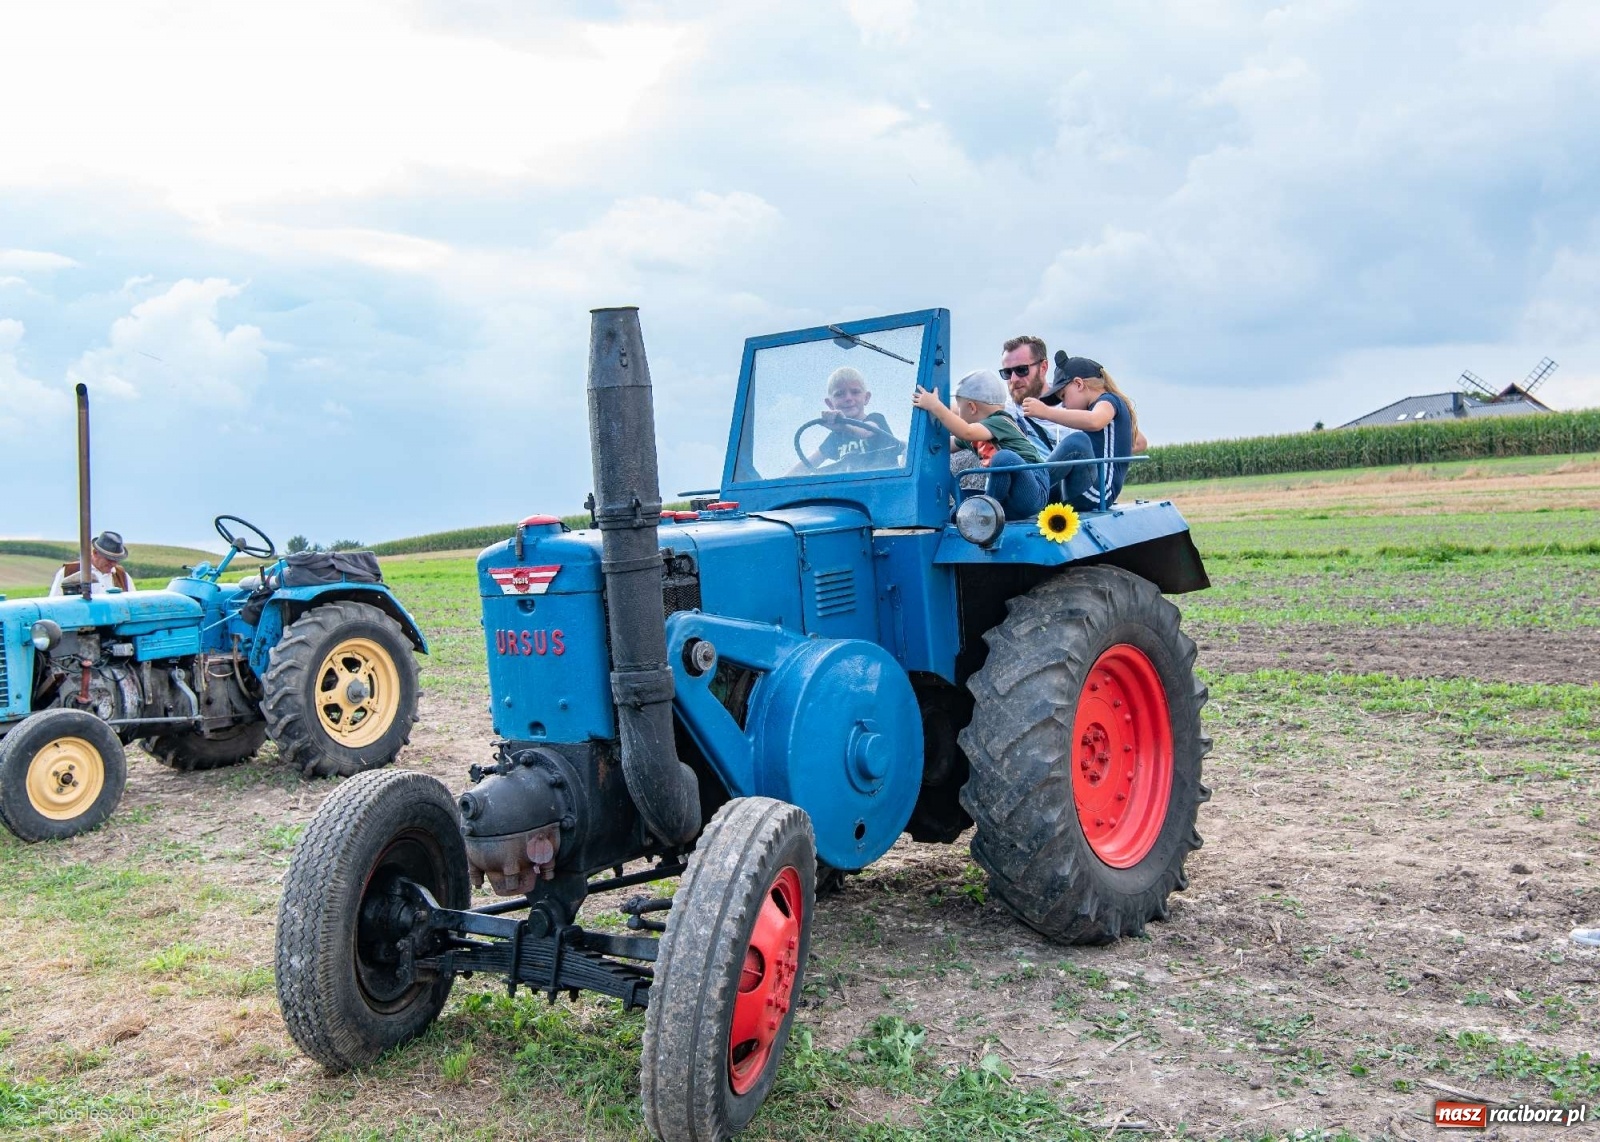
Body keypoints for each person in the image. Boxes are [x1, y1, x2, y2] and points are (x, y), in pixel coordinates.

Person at [913, 369, 1046, 520]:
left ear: (972, 407)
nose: (958, 412)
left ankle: (986, 512)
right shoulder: (975, 434)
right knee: (962, 507)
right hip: (1009, 499)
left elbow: (966, 431)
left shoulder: (1000, 421)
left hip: (1031, 490)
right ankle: (977, 515)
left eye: (959, 407)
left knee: (1003, 458)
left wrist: (935, 406)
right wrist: (905, 447)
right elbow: (942, 447)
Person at [1022, 355, 1144, 512]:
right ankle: (1022, 498)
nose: (1064, 405)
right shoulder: (1108, 407)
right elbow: (1140, 442)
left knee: (1077, 443)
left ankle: (1030, 487)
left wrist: (1046, 412)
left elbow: (1095, 421)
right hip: (1092, 489)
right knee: (1042, 494)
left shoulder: (1107, 401)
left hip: (1099, 491)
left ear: (1078, 384)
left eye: (1063, 396)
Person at [792, 366, 901, 473]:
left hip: (886, 486)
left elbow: (867, 431)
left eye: (855, 392)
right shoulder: (836, 437)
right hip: (852, 489)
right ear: (830, 403)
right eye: (839, 394)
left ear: (866, 398)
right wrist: (777, 486)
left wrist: (844, 427)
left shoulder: (876, 419)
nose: (848, 398)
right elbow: (806, 465)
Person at [998, 335, 1067, 453]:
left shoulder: (1071, 405)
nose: (1014, 379)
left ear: (1043, 367)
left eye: (1021, 369)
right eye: (1007, 372)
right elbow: (968, 408)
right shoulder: (1004, 409)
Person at [50, 530, 136, 596]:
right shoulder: (69, 572)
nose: (113, 564)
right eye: (109, 559)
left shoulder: (122, 576)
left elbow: (132, 603)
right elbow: (54, 603)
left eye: (116, 560)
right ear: (95, 553)